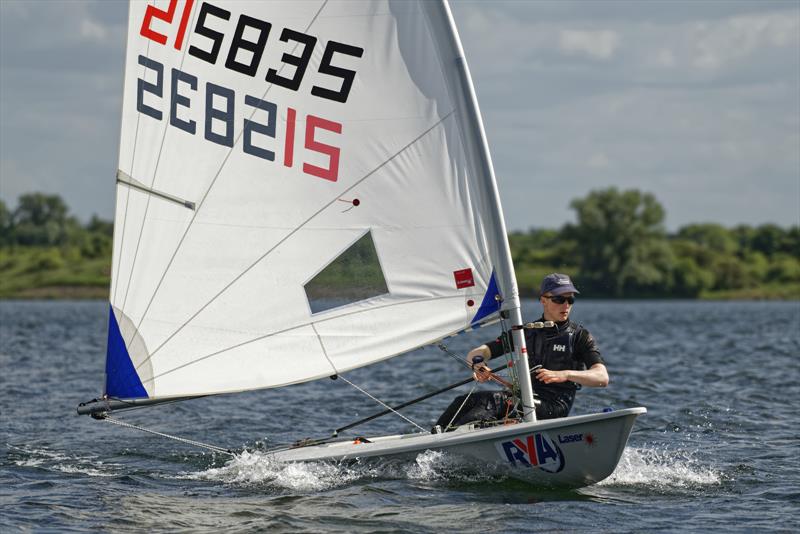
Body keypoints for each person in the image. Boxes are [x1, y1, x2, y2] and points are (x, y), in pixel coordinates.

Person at [434, 273, 608, 430]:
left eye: (570, 300)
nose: (566, 305)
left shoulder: (579, 336)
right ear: (543, 300)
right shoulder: (525, 332)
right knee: (466, 401)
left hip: (554, 406)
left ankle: (455, 441)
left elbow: (602, 377)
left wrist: (565, 374)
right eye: (559, 299)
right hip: (522, 399)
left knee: (494, 401)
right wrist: (478, 363)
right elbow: (479, 352)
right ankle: (434, 440)